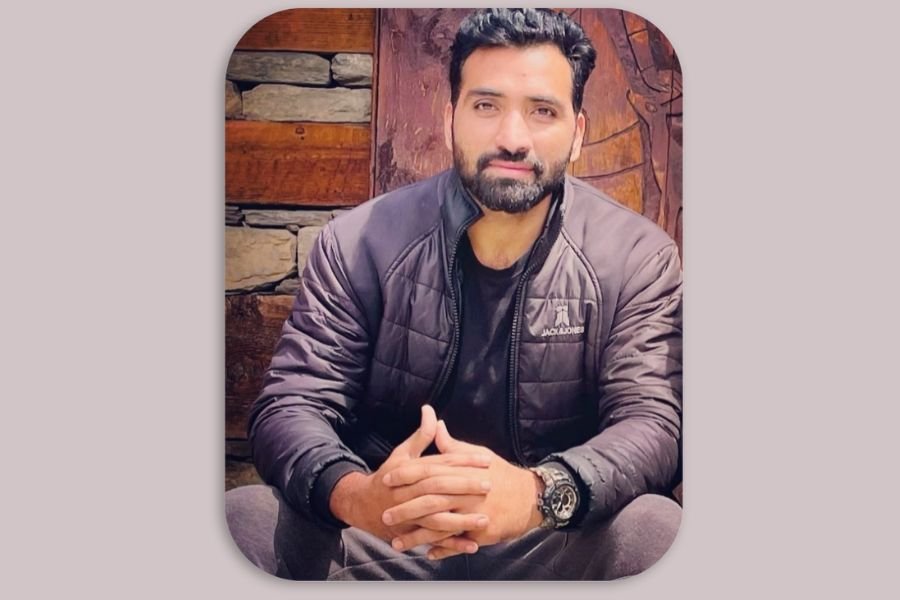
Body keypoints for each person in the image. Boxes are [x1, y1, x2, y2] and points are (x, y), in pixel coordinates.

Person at [226, 8, 683, 580]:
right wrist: (356, 494)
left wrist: (539, 493)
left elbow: (653, 422)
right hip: (385, 534)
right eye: (486, 106)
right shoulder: (359, 242)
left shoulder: (636, 257)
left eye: (542, 111)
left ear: (578, 134)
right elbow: (292, 403)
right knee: (244, 518)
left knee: (656, 530)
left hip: (550, 537)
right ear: (449, 120)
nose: (512, 138)